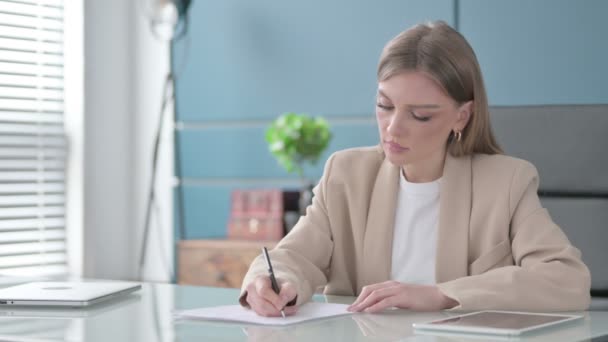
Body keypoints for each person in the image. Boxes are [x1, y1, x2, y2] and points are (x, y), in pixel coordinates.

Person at [238, 21, 591, 317]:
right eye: (384, 105)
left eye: (420, 115)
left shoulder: (506, 182)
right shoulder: (346, 175)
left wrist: (442, 294)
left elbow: (567, 281)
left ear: (461, 116)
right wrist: (271, 283)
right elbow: (293, 257)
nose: (393, 128)